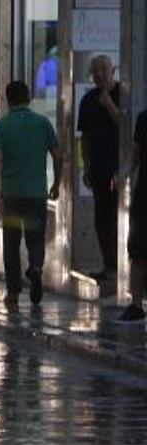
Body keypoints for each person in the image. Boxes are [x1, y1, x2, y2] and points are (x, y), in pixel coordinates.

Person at [0, 81, 63, 306]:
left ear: (7, 99)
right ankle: (36, 268)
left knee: (11, 243)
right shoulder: (42, 123)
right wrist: (56, 184)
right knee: (35, 238)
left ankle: (13, 292)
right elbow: (58, 155)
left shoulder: (1, 126)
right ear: (29, 98)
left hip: (11, 196)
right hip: (36, 195)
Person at [78, 55, 124, 281]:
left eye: (103, 70)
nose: (99, 75)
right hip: (98, 170)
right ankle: (109, 265)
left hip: (120, 171)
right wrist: (85, 166)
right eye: (94, 71)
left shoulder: (124, 95)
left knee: (120, 219)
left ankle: (124, 266)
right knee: (102, 220)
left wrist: (108, 104)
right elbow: (84, 137)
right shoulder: (87, 100)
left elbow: (127, 128)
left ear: (112, 71)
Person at [115, 109, 147, 323]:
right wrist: (123, 173)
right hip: (145, 194)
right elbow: (135, 152)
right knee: (138, 249)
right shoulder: (144, 118)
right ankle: (136, 305)